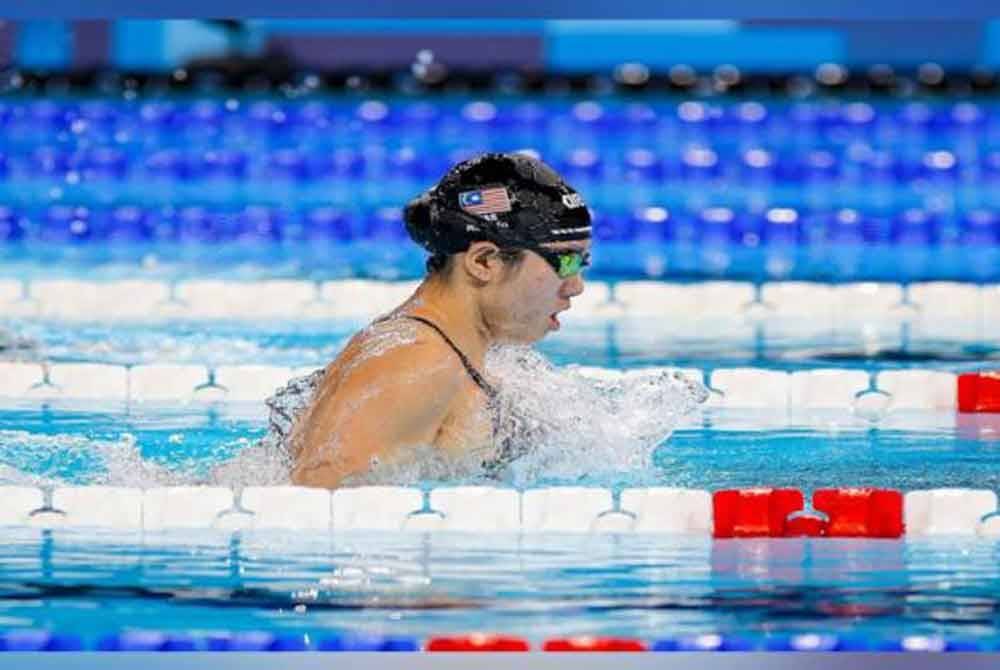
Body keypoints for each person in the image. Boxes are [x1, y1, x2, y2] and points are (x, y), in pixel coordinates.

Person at [283, 152, 593, 489]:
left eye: (582, 263)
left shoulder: (446, 351)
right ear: (484, 261)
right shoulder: (414, 362)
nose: (575, 286)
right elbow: (316, 505)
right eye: (565, 262)